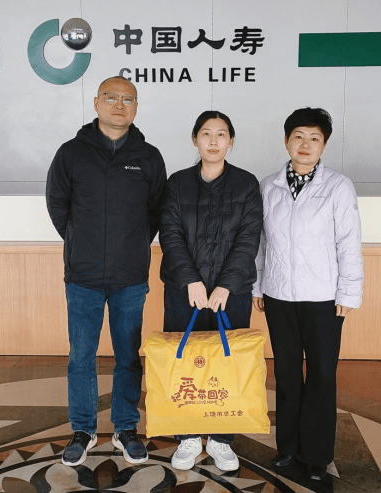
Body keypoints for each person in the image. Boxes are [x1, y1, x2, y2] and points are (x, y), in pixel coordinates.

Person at [46, 76, 167, 467]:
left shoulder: (149, 156)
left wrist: (131, 243)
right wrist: (80, 240)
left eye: (128, 99)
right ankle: (82, 430)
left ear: (136, 107)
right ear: (97, 102)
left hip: (129, 276)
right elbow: (58, 205)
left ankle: (125, 428)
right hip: (83, 276)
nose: (119, 105)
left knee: (128, 356)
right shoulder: (71, 153)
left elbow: (155, 211)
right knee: (81, 356)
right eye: (111, 97)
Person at [252, 107, 363, 481]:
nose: (305, 144)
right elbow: (260, 243)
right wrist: (258, 285)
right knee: (285, 374)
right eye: (298, 136)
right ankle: (287, 447)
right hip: (279, 295)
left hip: (323, 298)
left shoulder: (338, 186)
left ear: (324, 145)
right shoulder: (269, 186)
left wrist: (349, 292)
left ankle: (316, 454)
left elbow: (348, 242)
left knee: (321, 375)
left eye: (314, 138)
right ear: (286, 141)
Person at [158, 110, 263, 472]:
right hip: (182, 291)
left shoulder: (246, 184)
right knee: (185, 361)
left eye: (221, 134)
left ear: (231, 141)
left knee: (227, 363)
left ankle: (221, 439)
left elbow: (248, 238)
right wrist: (190, 279)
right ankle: (187, 436)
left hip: (231, 294)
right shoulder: (177, 183)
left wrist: (226, 285)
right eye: (206, 133)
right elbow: (170, 234)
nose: (213, 140)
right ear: (195, 139)